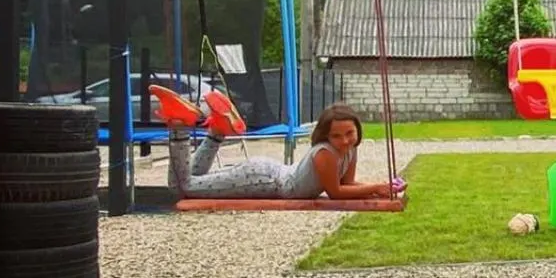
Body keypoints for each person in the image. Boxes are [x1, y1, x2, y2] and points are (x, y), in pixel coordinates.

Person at [150, 86, 402, 201]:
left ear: (357, 130)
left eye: (349, 133)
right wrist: (377, 187)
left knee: (193, 183)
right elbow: (335, 192)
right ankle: (181, 126)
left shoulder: (349, 150)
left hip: (266, 175)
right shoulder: (326, 154)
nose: (345, 140)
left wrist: (380, 188)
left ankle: (217, 131)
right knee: (182, 188)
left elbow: (347, 185)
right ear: (326, 136)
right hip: (264, 181)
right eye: (337, 136)